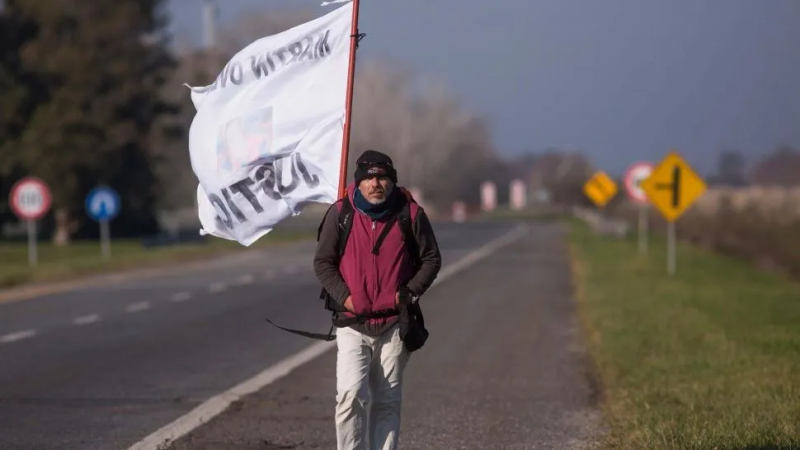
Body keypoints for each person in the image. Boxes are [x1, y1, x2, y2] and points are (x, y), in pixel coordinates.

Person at [313, 149, 442, 450]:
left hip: (395, 323)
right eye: (369, 178)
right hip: (352, 322)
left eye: (382, 177)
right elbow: (323, 263)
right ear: (358, 182)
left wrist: (406, 295)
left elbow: (431, 259)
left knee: (386, 400)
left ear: (392, 181)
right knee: (349, 396)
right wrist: (346, 298)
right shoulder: (340, 214)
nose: (375, 184)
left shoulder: (411, 214)